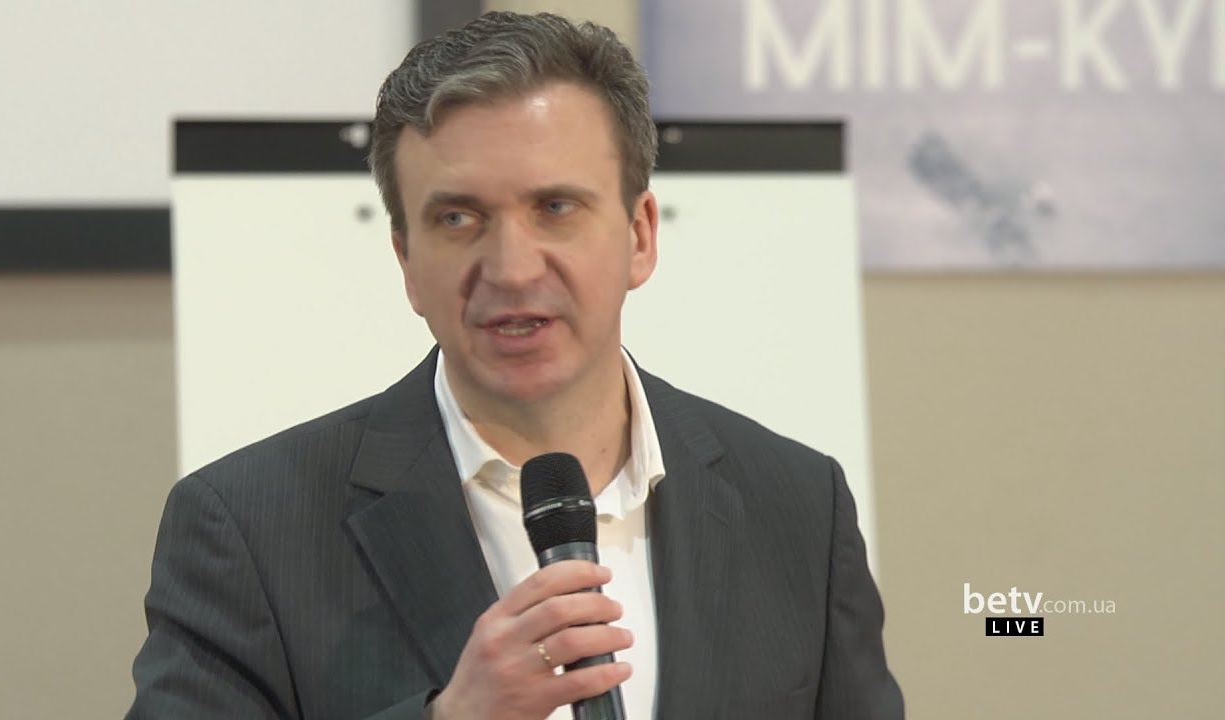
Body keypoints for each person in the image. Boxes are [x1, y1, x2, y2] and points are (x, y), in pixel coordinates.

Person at [127, 11, 904, 720]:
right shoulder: (248, 528)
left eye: (555, 208)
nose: (511, 267)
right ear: (406, 261)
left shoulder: (798, 506)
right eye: (458, 218)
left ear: (640, 236)